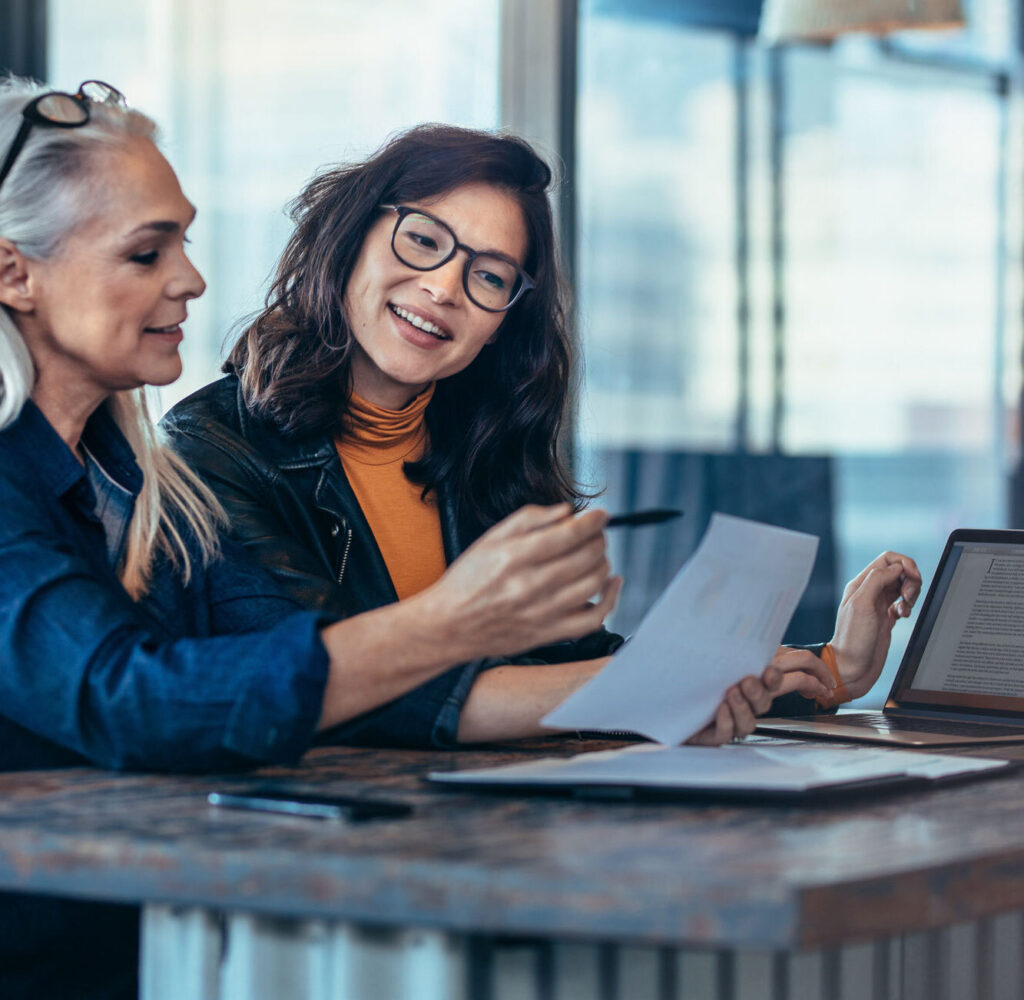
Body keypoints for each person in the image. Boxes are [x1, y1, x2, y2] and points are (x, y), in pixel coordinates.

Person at [0, 77, 862, 998]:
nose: (192, 278)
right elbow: (147, 697)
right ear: (15, 273)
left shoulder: (128, 479)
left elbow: (259, 681)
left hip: (169, 931)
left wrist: (738, 676)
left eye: (487, 275)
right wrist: (459, 626)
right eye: (147, 251)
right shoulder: (198, 454)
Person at [162, 121, 922, 738]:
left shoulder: (484, 452)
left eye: (489, 276)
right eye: (423, 240)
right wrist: (656, 690)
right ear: (351, 237)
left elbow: (573, 667)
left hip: (494, 839)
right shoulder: (211, 448)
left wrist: (830, 669)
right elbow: (336, 687)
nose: (443, 288)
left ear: (503, 322)